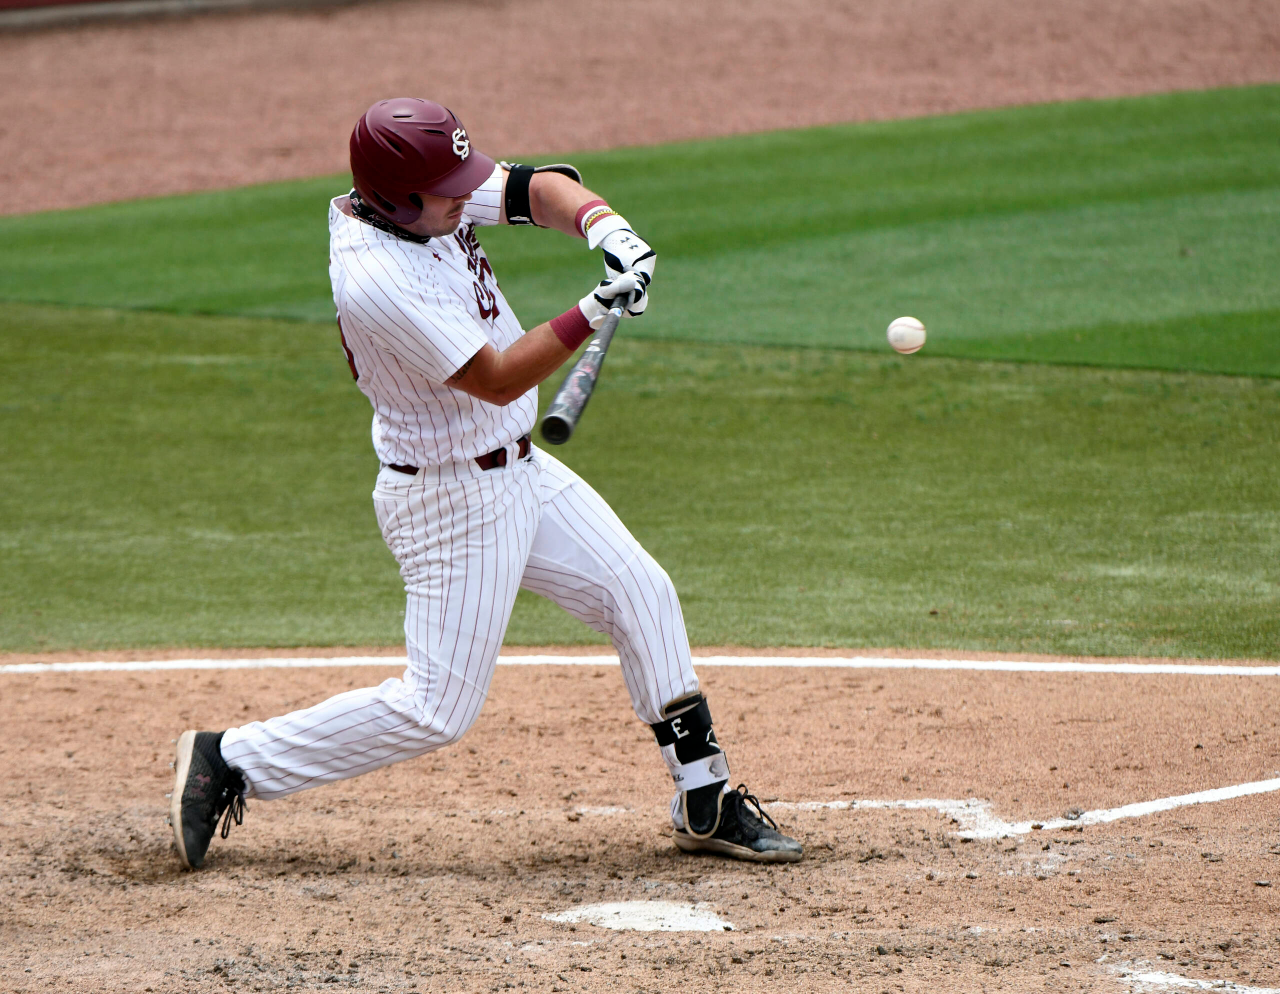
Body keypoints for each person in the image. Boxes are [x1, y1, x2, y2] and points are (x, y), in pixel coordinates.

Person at [169, 97, 801, 870]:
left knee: (641, 592)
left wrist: (611, 233)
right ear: (398, 198)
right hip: (449, 498)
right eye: (448, 189)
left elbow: (541, 188)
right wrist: (594, 308)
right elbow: (498, 379)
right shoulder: (377, 277)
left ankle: (705, 800)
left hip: (519, 469)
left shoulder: (415, 200)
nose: (464, 195)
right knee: (436, 710)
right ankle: (232, 759)